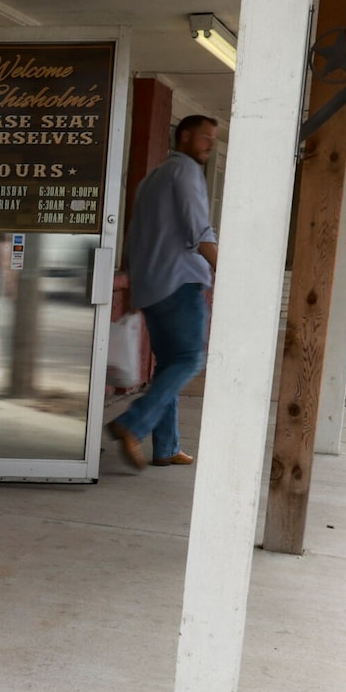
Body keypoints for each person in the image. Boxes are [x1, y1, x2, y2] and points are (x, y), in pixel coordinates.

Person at [107, 114, 219, 470]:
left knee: (170, 365)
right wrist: (225, 269)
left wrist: (133, 287)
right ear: (185, 136)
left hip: (152, 287)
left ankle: (167, 446)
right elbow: (199, 229)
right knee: (189, 359)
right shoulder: (186, 172)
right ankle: (133, 423)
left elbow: (135, 235)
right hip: (180, 281)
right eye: (205, 137)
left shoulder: (150, 179)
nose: (210, 145)